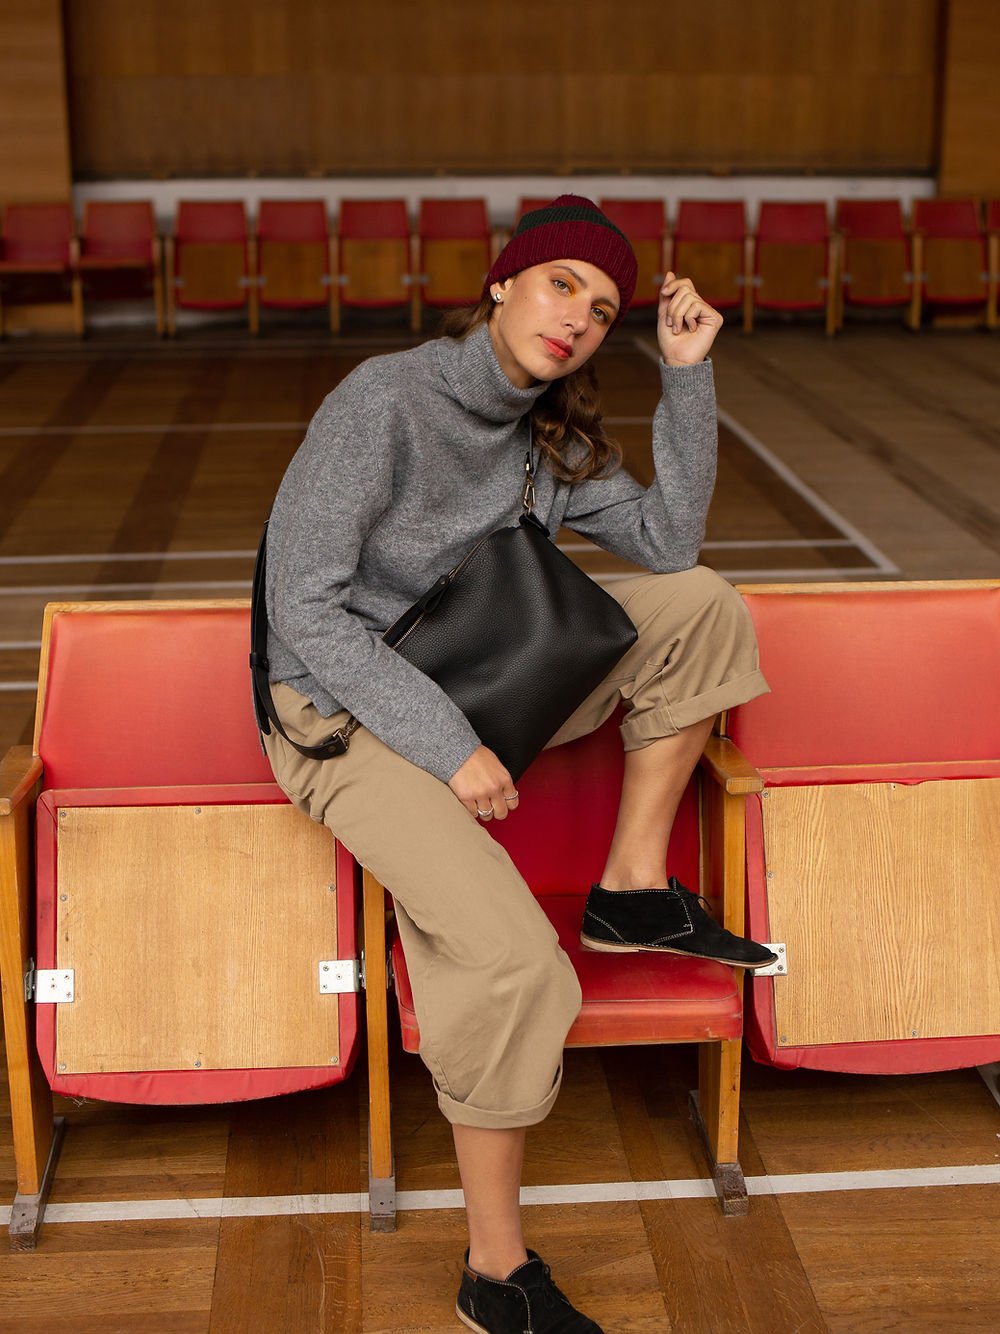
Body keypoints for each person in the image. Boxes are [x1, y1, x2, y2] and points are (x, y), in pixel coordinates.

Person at [262, 195, 776, 1334]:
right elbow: (302, 611)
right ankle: (495, 1276)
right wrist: (452, 749)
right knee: (511, 965)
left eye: (602, 311)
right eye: (560, 287)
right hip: (342, 707)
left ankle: (631, 891)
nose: (579, 321)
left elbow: (667, 547)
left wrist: (685, 376)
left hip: (475, 672)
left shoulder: (546, 427)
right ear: (501, 282)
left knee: (700, 606)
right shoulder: (384, 403)